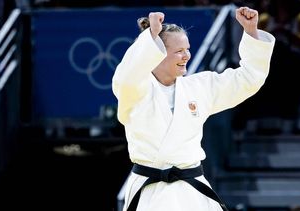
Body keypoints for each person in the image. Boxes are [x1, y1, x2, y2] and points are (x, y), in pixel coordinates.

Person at [112, 6, 275, 211]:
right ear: (157, 54)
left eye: (187, 49)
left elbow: (248, 79)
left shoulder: (199, 87)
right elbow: (126, 76)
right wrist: (150, 37)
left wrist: (250, 32)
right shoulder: (135, 91)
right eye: (179, 51)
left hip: (192, 192)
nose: (187, 55)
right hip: (150, 194)